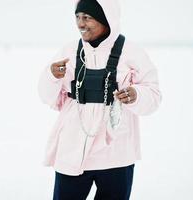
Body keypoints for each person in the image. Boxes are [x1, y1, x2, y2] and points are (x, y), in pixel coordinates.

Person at [38, 0, 161, 199]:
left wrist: (136, 95)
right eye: (77, 17)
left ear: (106, 19)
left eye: (87, 17)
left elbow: (154, 96)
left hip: (116, 153)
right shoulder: (69, 52)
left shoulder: (132, 52)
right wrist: (51, 76)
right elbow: (48, 98)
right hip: (72, 152)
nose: (80, 24)